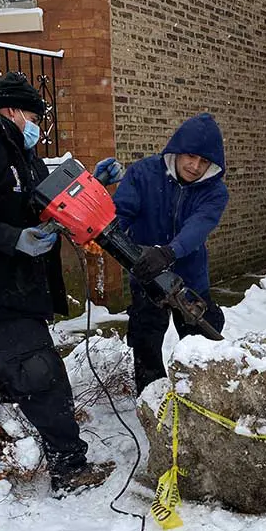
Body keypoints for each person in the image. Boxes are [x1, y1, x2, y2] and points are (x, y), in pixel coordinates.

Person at [0, 71, 113, 497]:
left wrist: (91, 184)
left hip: (14, 286)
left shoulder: (19, 150)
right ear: (11, 110)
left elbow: (38, 202)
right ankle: (70, 468)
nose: (37, 124)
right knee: (40, 373)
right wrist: (12, 238)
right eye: (33, 114)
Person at [94, 113, 228, 395]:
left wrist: (169, 253)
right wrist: (109, 232)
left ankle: (199, 398)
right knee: (146, 341)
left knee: (200, 343)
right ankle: (151, 399)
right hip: (145, 275)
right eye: (191, 156)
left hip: (190, 278)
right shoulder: (144, 174)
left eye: (204, 162)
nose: (195, 166)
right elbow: (122, 213)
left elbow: (199, 225)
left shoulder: (214, 191)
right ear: (178, 150)